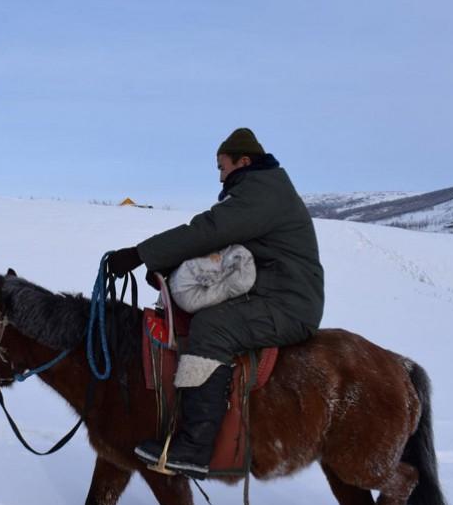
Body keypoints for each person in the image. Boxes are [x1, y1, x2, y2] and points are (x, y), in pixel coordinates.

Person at [107, 127, 324, 479]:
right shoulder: (261, 190)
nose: (220, 176)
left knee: (212, 327)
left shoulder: (261, 192)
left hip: (287, 303)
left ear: (243, 161)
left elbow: (210, 230)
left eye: (222, 167)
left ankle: (195, 447)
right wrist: (169, 267)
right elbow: (218, 249)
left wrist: (139, 254)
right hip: (268, 294)